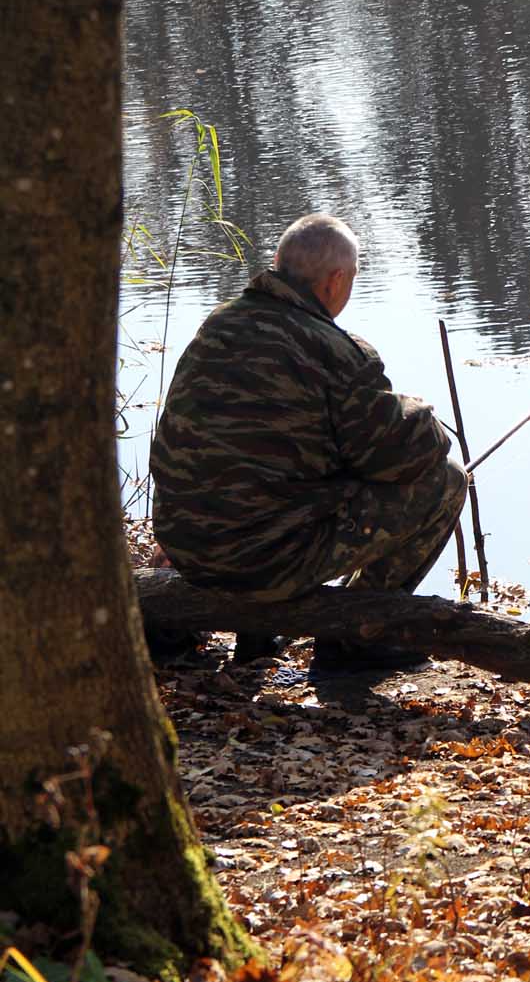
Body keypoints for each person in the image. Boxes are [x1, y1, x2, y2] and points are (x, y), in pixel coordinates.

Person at [150, 213, 467, 667]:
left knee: (278, 475)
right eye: (352, 279)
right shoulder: (337, 350)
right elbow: (407, 456)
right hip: (263, 565)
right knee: (448, 480)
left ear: (278, 262)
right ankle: (357, 635)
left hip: (188, 545)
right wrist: (418, 411)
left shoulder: (217, 325)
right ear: (335, 280)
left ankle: (207, 628)